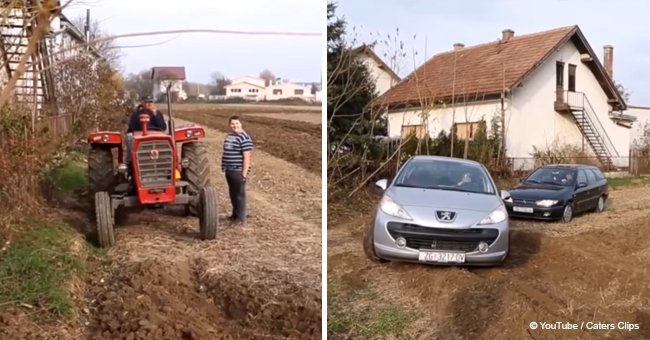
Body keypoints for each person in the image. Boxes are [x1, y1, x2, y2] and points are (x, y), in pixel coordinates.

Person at [221, 116, 253, 224]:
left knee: (239, 195)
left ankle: (240, 218)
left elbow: (247, 157)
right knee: (232, 193)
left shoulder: (244, 138)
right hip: (229, 169)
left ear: (241, 124)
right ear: (230, 125)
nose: (235, 126)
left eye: (237, 123)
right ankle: (234, 215)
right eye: (232, 124)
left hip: (237, 170)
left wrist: (243, 174)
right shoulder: (229, 136)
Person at [125, 96, 167, 167]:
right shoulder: (136, 114)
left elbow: (162, 127)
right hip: (140, 135)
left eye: (151, 102)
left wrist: (155, 115)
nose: (149, 104)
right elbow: (133, 128)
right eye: (147, 102)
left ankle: (166, 161)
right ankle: (129, 162)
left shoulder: (158, 114)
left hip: (155, 135)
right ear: (143, 103)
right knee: (129, 137)